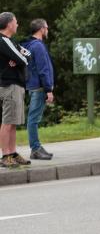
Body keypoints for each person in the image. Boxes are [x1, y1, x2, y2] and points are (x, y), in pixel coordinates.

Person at [0, 12, 31, 168]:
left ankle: (12, 153)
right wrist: (18, 58)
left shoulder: (11, 42)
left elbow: (28, 54)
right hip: (9, 85)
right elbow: (23, 59)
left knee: (13, 122)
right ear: (9, 24)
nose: (18, 25)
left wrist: (18, 58)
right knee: (7, 121)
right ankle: (5, 156)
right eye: (16, 22)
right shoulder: (3, 41)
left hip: (16, 84)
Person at [21, 19, 55, 160]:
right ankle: (35, 149)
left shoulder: (29, 45)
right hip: (39, 87)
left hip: (33, 85)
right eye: (47, 27)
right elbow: (43, 69)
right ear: (41, 29)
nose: (48, 30)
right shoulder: (38, 46)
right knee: (33, 119)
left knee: (33, 118)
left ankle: (37, 148)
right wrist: (48, 89)